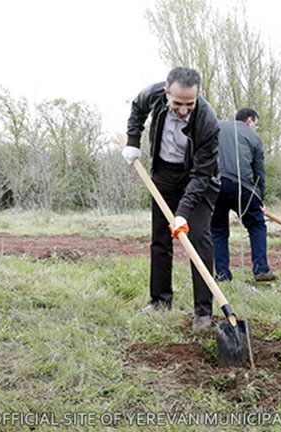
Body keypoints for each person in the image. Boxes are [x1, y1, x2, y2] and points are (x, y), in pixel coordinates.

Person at [122, 67, 221, 332]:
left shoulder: (208, 121)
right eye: (178, 103)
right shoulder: (154, 95)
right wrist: (133, 140)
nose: (184, 109)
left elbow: (202, 174)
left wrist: (183, 211)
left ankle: (203, 312)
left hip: (197, 180)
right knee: (161, 238)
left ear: (197, 96)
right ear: (166, 93)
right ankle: (160, 300)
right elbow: (136, 108)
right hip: (164, 174)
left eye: (190, 103)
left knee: (198, 239)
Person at [210, 108, 276, 282]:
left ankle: (223, 275)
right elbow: (259, 171)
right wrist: (261, 198)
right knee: (256, 225)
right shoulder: (252, 136)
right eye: (256, 124)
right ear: (249, 120)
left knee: (218, 231)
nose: (255, 127)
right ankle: (261, 269)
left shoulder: (215, 127)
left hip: (214, 185)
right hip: (243, 186)